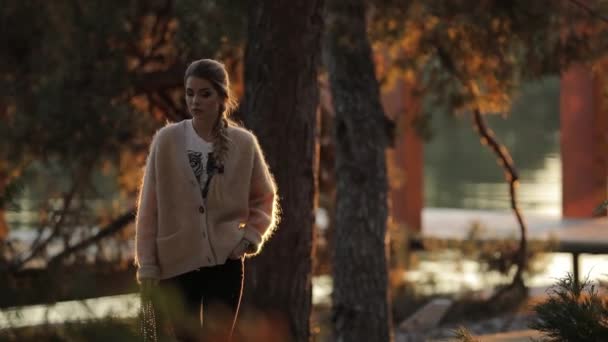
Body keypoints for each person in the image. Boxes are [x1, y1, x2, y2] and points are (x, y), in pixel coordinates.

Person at [134, 58, 279, 341]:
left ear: (222, 97)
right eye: (190, 93)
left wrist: (248, 238)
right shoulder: (166, 141)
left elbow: (265, 198)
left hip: (225, 265)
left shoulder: (244, 144)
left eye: (204, 93)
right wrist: (147, 265)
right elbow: (148, 210)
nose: (195, 101)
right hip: (175, 266)